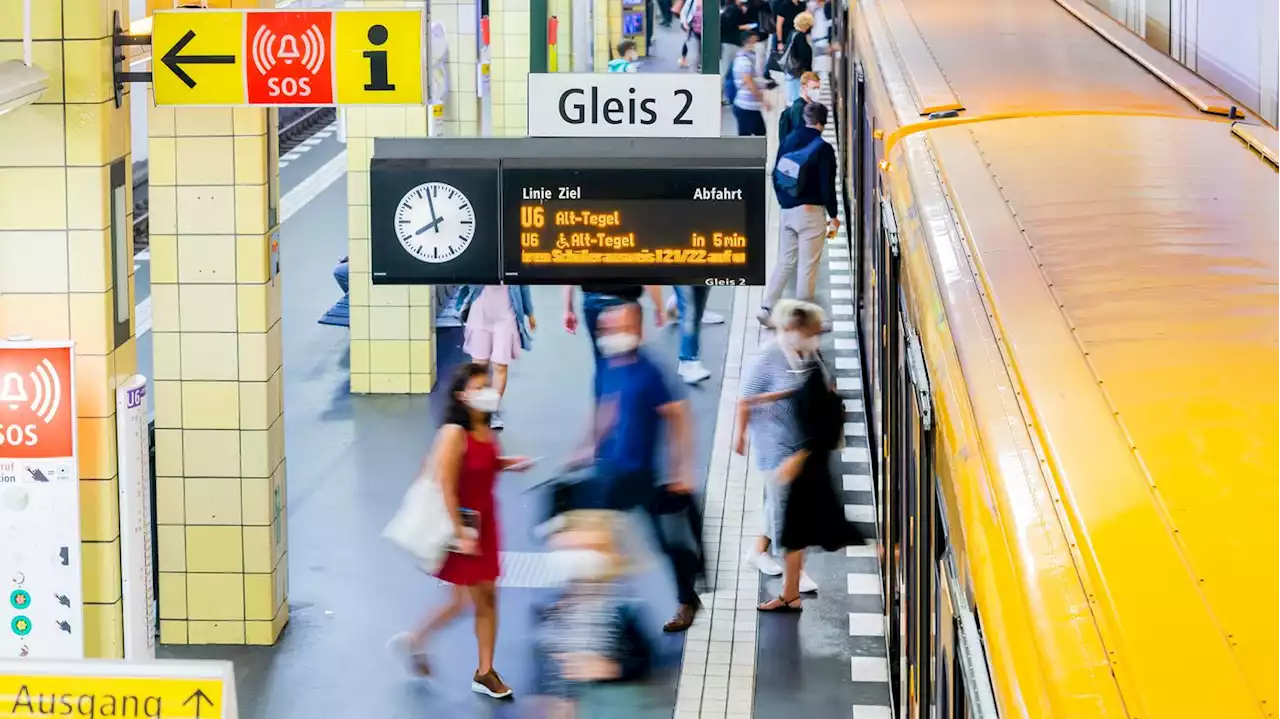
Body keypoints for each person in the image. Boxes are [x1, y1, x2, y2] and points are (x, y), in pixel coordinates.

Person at [390, 363, 537, 698]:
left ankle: (422, 643)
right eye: (479, 387)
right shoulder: (453, 433)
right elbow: (445, 482)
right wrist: (460, 532)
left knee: (469, 600)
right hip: (466, 526)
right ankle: (481, 670)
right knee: (480, 598)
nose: (487, 391)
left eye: (488, 385)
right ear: (461, 396)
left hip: (486, 522)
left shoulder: (483, 428)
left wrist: (508, 463)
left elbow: (482, 462)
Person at [582, 303, 703, 633]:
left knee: (666, 543)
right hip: (612, 469)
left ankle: (686, 600)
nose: (608, 335)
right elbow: (607, 406)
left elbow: (679, 416)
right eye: (605, 330)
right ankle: (606, 608)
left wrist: (683, 469)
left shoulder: (650, 371)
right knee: (597, 536)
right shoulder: (608, 365)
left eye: (615, 328)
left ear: (636, 329)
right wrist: (588, 445)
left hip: (647, 474)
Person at [735, 301, 821, 595]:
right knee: (787, 508)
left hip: (797, 442)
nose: (812, 336)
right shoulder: (768, 356)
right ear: (789, 328)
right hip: (773, 444)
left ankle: (758, 551)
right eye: (806, 330)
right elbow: (746, 397)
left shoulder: (805, 352)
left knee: (778, 502)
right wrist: (740, 437)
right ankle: (794, 575)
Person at [760, 102, 839, 327]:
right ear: (822, 123)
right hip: (810, 213)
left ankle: (767, 307)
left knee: (785, 261)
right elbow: (827, 187)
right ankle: (803, 320)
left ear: (805, 118)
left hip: (787, 210)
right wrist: (833, 215)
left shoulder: (788, 140)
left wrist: (785, 203)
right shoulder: (823, 149)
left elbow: (776, 173)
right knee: (807, 265)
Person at [455, 285, 535, 430]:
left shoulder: (513, 261)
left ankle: (491, 410)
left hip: (506, 313)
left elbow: (523, 283)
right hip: (480, 311)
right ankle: (478, 409)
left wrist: (530, 312)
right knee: (479, 365)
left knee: (500, 364)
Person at [564, 285, 665, 395]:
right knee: (629, 366)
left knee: (603, 366)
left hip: (593, 302)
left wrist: (568, 309)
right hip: (624, 302)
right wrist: (659, 307)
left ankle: (603, 405)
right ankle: (628, 406)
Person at [731, 31, 769, 136]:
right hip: (746, 106)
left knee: (759, 136)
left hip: (751, 106)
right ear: (747, 43)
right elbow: (749, 82)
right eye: (755, 41)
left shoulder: (749, 58)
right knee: (747, 138)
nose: (757, 44)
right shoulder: (744, 60)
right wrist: (762, 100)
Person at [719, 0, 753, 95]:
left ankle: (722, 94)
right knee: (726, 70)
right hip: (731, 43)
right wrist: (745, 27)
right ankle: (720, 94)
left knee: (727, 70)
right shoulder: (734, 10)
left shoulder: (730, 9)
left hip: (728, 42)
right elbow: (732, 26)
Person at [779, 11, 814, 104]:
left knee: (792, 96)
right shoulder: (800, 36)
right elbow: (804, 55)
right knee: (797, 97)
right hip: (798, 72)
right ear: (806, 25)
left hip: (792, 71)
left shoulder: (792, 33)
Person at [778, 70, 821, 141]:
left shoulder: (809, 105)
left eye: (818, 88)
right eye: (814, 88)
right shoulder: (799, 108)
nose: (817, 91)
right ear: (804, 88)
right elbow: (800, 134)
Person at [675, 0, 702, 70]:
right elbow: (684, 11)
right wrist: (684, 23)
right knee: (689, 43)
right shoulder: (692, 1)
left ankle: (699, 63)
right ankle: (685, 60)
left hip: (704, 28)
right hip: (693, 27)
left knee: (700, 46)